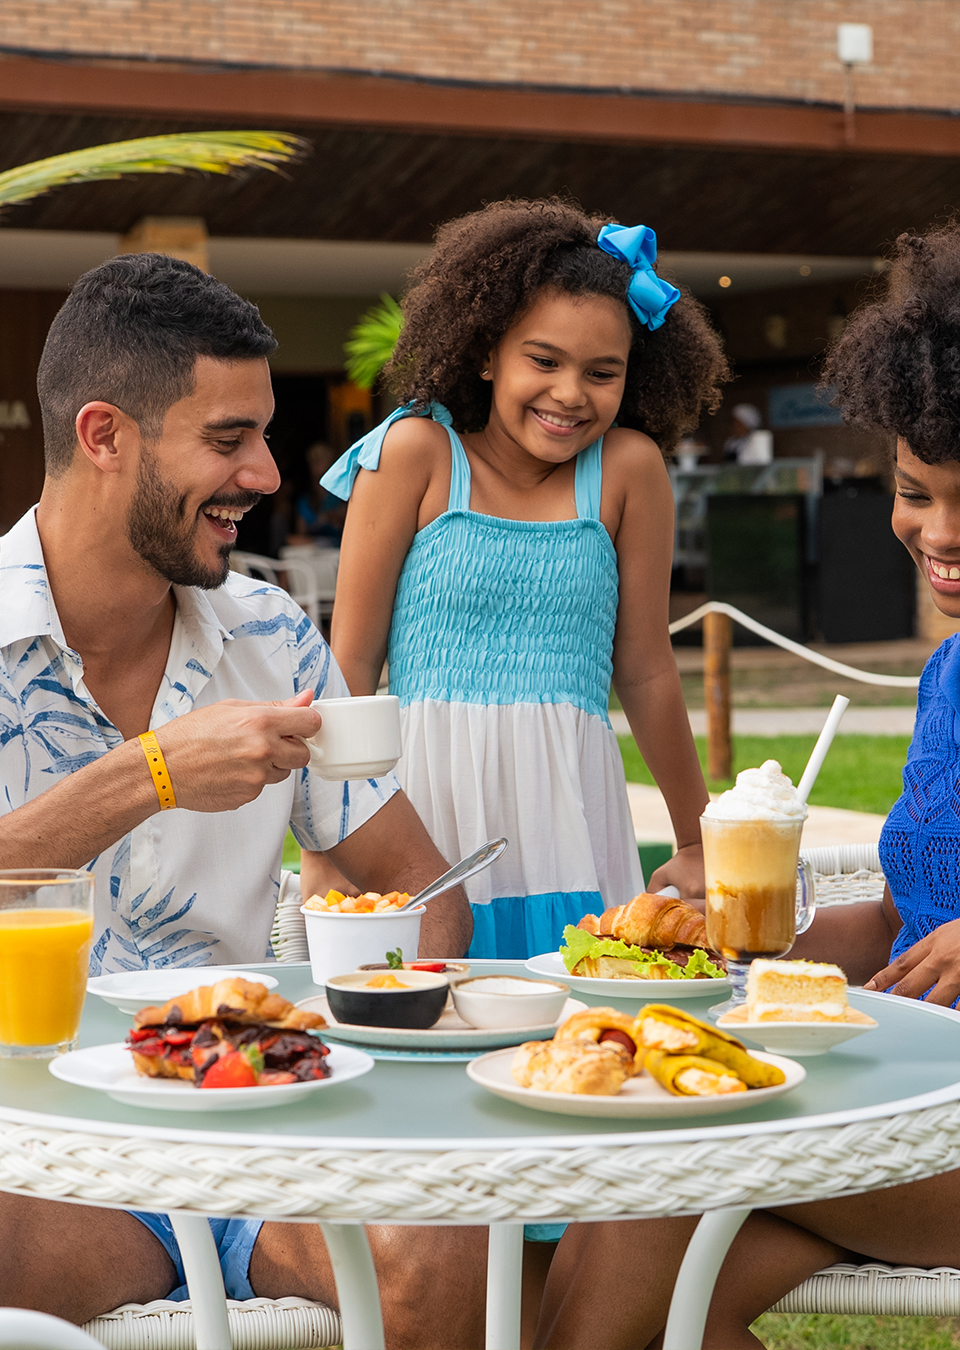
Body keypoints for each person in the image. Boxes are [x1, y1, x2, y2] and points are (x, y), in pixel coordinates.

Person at [533, 223, 960, 1348]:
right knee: (648, 1274)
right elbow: (908, 916)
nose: (938, 533)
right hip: (940, 1086)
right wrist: (741, 946)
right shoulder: (952, 669)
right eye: (915, 490)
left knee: (670, 1158)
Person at [0, 252, 474, 1341]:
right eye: (228, 440)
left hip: (259, 1120)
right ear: (104, 435)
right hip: (39, 1144)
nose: (266, 473)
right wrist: (152, 773)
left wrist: (364, 1029)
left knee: (444, 1247)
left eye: (261, 436)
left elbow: (420, 883)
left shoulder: (274, 637)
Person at [312, 198, 729, 960]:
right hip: (423, 813)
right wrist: (323, 844)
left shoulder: (630, 472)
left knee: (569, 1028)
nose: (571, 393)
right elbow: (350, 665)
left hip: (566, 812)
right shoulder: (416, 454)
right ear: (485, 353)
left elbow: (645, 669)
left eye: (602, 373)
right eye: (544, 360)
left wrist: (698, 839)